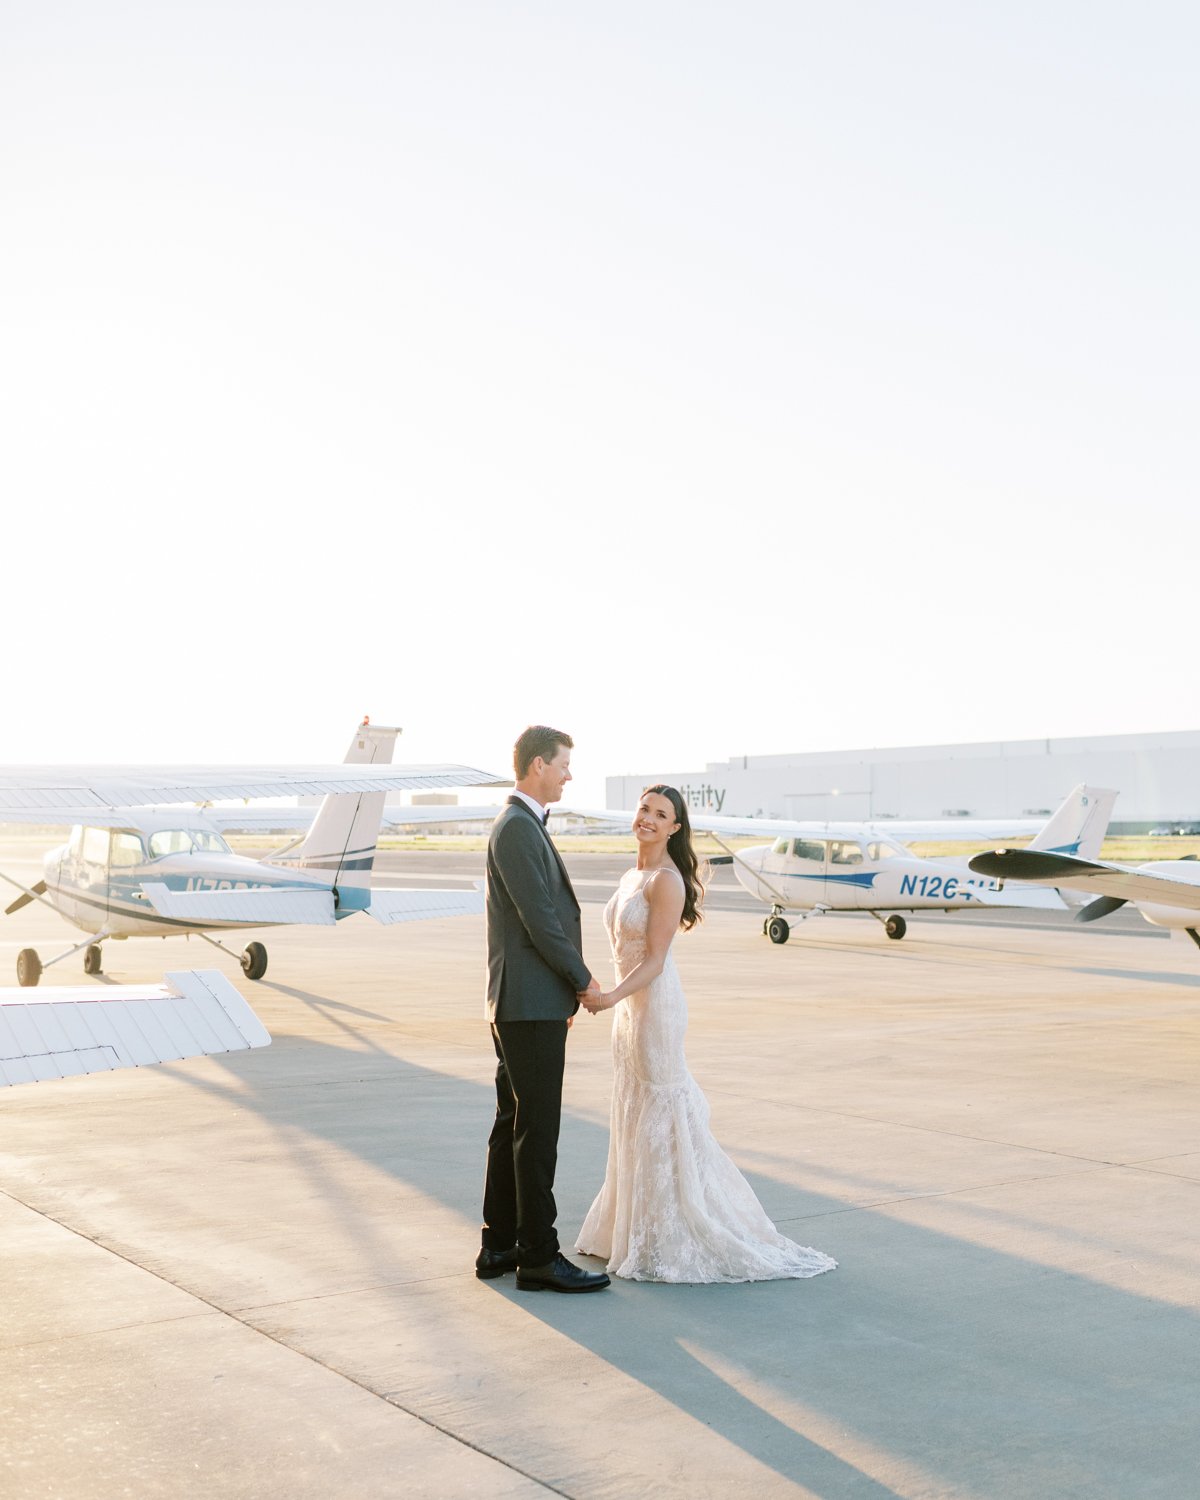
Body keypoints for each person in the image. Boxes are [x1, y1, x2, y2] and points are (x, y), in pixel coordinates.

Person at [576, 784, 837, 1284]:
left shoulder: (666, 881)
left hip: (654, 1009)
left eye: (661, 815)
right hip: (628, 1010)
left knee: (662, 1111)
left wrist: (609, 997)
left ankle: (673, 1233)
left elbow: (654, 961)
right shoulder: (634, 873)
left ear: (676, 827)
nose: (648, 820)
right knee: (633, 1107)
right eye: (644, 810)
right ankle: (632, 1230)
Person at [477, 726, 611, 1293]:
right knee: (537, 1129)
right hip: (528, 1004)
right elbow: (542, 922)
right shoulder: (516, 828)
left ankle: (500, 1244)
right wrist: (582, 981)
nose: (568, 774)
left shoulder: (523, 825)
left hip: (525, 1001)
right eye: (563, 765)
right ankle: (537, 1254)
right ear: (537, 765)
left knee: (513, 1124)